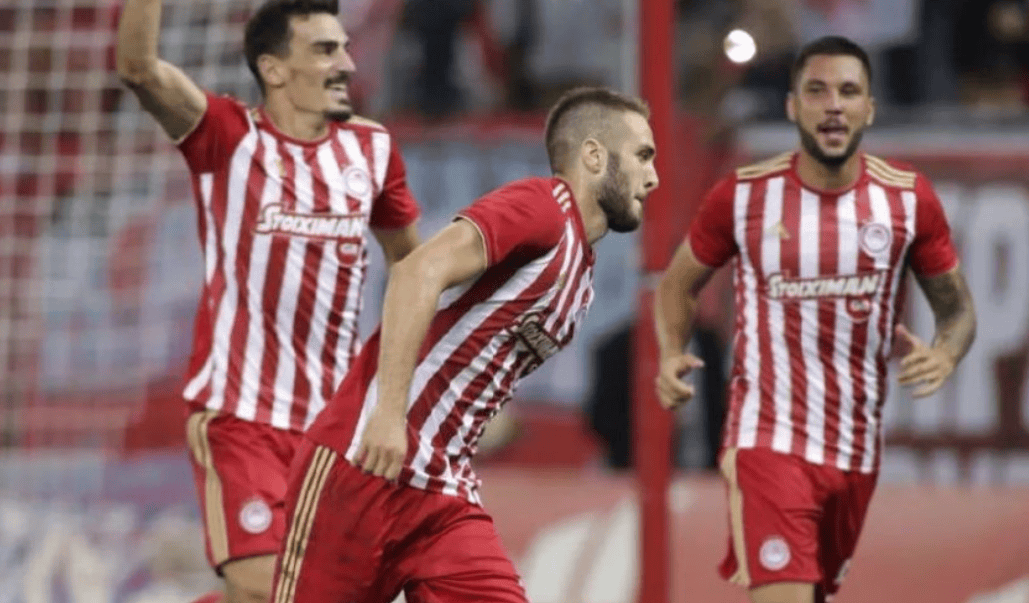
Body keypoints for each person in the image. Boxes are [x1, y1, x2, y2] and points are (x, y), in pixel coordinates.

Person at [268, 86, 658, 603]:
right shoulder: (542, 207)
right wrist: (389, 414)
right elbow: (417, 271)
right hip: (366, 463)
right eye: (642, 155)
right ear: (593, 155)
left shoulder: (580, 276)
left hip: (442, 491)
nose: (653, 177)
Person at [115, 1, 422, 602]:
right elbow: (139, 68)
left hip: (335, 427)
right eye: (325, 50)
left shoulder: (372, 150)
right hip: (242, 413)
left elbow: (412, 267)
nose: (346, 63)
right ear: (274, 69)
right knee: (263, 584)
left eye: (345, 48)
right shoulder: (228, 136)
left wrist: (400, 391)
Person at [654, 35, 977, 603]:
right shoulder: (742, 197)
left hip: (855, 452)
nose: (833, 105)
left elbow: (957, 310)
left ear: (869, 108)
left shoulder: (907, 201)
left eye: (848, 92)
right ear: (791, 106)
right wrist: (671, 351)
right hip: (766, 440)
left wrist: (946, 352)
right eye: (817, 91)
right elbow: (678, 283)